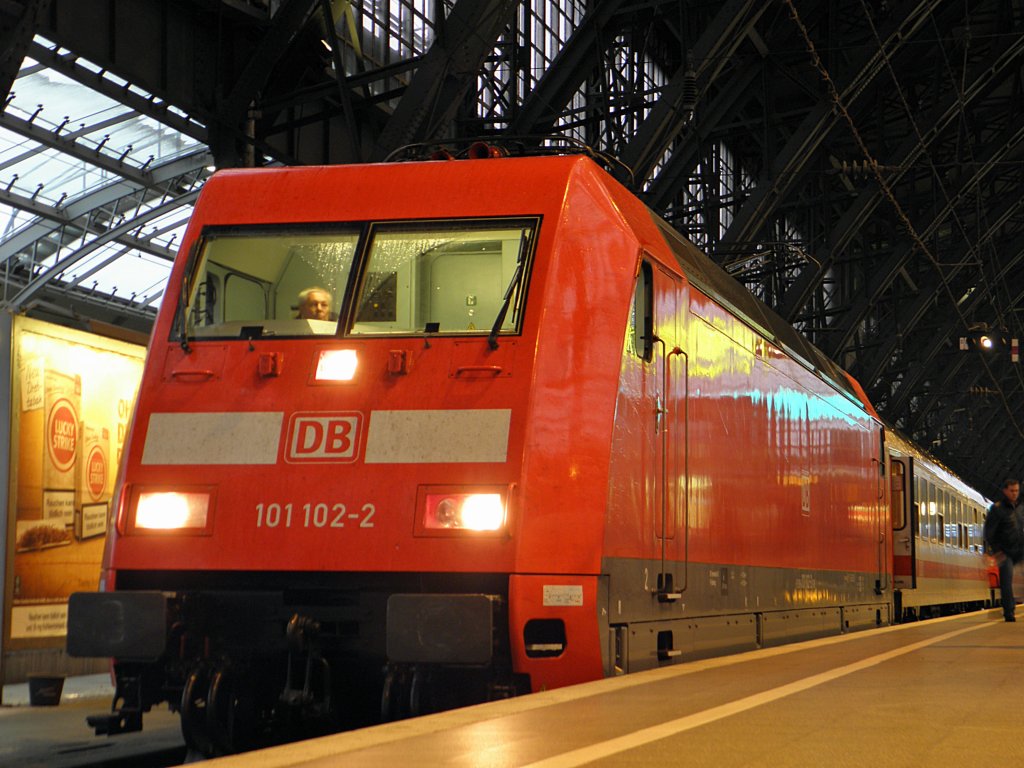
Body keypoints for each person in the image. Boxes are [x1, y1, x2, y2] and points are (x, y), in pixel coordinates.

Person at [983, 478, 1023, 622]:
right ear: (1005, 491)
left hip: (1020, 550)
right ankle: (1009, 612)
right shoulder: (997, 509)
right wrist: (995, 551)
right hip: (1005, 551)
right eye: (1012, 491)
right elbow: (989, 532)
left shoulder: (1020, 507)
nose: (1014, 494)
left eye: (1016, 491)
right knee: (1006, 582)